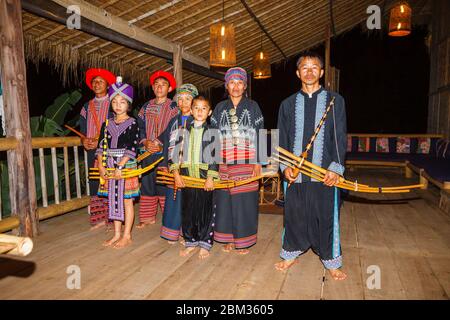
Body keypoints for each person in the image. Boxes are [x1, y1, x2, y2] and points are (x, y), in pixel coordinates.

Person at [275, 52, 347, 281]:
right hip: (296, 174)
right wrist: (284, 167)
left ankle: (331, 260)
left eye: (314, 67)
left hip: (324, 173)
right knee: (294, 215)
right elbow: (282, 139)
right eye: (304, 68)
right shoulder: (287, 104)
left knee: (326, 217)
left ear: (321, 72)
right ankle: (291, 253)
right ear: (298, 73)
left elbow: (340, 137)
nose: (309, 71)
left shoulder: (335, 101)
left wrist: (335, 169)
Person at [210, 67, 264, 255]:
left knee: (245, 202)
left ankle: (244, 241)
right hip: (224, 163)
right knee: (225, 202)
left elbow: (260, 134)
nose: (236, 86)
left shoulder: (253, 106)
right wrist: (213, 166)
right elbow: (213, 138)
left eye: (240, 82)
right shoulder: (219, 108)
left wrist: (259, 162)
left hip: (247, 162)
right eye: (232, 82)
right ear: (226, 85)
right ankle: (231, 239)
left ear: (245, 86)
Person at [170, 96, 218, 259]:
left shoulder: (213, 131)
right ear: (190, 110)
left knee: (205, 211)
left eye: (203, 108)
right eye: (196, 107)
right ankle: (190, 241)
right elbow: (175, 155)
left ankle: (205, 243)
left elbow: (215, 157)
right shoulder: (182, 132)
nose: (199, 111)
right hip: (186, 177)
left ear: (209, 112)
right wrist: (176, 174)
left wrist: (211, 178)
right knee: (188, 211)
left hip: (205, 178)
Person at [96, 77, 140, 248]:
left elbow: (132, 147)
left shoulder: (133, 123)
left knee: (127, 200)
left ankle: (127, 235)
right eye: (114, 101)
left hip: (125, 165)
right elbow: (100, 146)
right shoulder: (106, 124)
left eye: (122, 101)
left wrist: (120, 166)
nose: (118, 105)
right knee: (113, 200)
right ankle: (116, 234)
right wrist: (100, 164)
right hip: (109, 164)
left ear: (128, 104)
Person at [137, 70, 178, 228]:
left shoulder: (174, 107)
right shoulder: (146, 107)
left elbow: (173, 128)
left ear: (169, 89)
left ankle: (167, 218)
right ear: (153, 88)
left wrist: (159, 142)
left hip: (165, 152)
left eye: (163, 85)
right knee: (147, 183)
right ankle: (147, 217)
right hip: (147, 151)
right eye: (157, 85)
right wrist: (145, 141)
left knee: (163, 183)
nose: (160, 87)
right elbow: (139, 126)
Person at [160, 84, 197, 244]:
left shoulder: (198, 120)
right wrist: (167, 165)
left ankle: (186, 233)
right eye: (180, 99)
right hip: (174, 165)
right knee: (173, 200)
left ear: (193, 101)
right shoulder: (173, 121)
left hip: (190, 167)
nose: (183, 103)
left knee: (189, 201)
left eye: (187, 99)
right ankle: (172, 233)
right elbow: (166, 142)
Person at [80, 68, 116, 230]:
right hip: (90, 149)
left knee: (108, 180)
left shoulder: (114, 103)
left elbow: (117, 127)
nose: (97, 84)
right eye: (94, 81)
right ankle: (98, 217)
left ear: (108, 85)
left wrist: (100, 142)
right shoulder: (86, 106)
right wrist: (83, 140)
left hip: (108, 149)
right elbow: (81, 128)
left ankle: (111, 218)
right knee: (94, 180)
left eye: (101, 81)